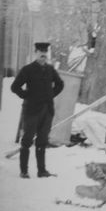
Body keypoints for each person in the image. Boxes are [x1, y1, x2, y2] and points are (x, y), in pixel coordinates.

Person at [10, 41, 65, 178]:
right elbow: (14, 87)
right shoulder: (27, 69)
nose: (43, 55)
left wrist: (50, 95)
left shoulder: (50, 69)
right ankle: (24, 171)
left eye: (45, 52)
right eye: (40, 52)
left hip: (47, 112)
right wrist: (27, 96)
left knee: (42, 141)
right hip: (32, 111)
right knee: (27, 140)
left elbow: (60, 84)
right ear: (35, 53)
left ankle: (42, 171)